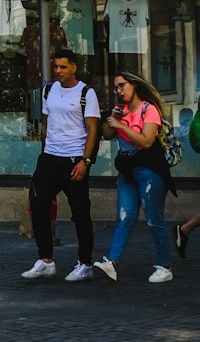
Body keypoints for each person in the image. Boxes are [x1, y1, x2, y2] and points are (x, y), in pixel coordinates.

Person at [22, 49, 100, 282]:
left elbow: (93, 130)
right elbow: (46, 124)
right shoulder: (49, 90)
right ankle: (46, 260)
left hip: (74, 158)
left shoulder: (86, 93)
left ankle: (85, 263)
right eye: (56, 66)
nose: (58, 71)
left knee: (80, 213)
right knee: (38, 206)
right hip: (49, 157)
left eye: (63, 67)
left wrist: (85, 161)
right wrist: (44, 152)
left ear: (74, 67)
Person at [93, 69, 177, 283]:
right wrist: (114, 118)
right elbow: (107, 134)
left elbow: (147, 141)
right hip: (127, 171)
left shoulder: (149, 110)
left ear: (134, 85)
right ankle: (111, 262)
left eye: (122, 85)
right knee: (124, 217)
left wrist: (121, 125)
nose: (118, 90)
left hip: (149, 170)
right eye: (116, 87)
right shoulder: (120, 110)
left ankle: (164, 266)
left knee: (153, 219)